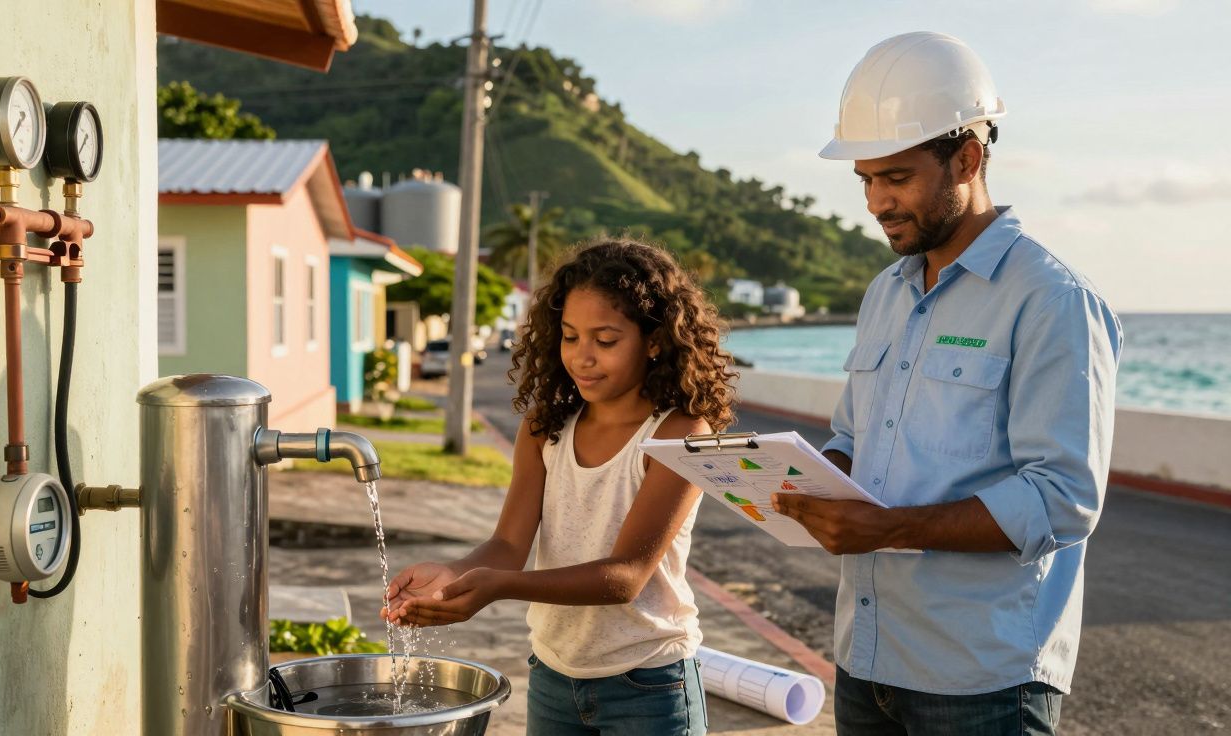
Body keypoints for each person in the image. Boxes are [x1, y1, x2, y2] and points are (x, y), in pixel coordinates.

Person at [770, 32, 1123, 735]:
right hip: (865, 663)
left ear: (968, 157)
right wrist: (805, 480)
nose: (875, 201)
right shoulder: (884, 294)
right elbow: (851, 437)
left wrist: (893, 526)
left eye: (895, 177)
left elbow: (1062, 498)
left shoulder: (1052, 300)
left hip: (981, 684)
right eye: (865, 179)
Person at [384, 238, 737, 735]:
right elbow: (507, 545)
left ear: (654, 340)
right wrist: (452, 575)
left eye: (605, 340)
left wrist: (499, 587)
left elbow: (625, 577)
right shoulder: (545, 428)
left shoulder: (678, 434)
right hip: (553, 677)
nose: (582, 357)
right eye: (570, 337)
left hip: (651, 684)